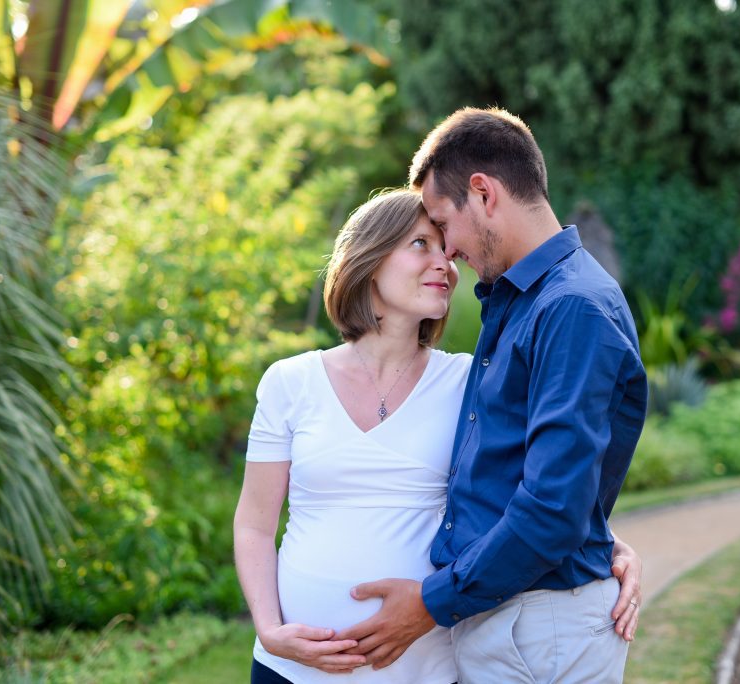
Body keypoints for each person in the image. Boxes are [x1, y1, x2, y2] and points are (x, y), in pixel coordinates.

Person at [234, 186, 644, 683]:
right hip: (290, 669)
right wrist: (271, 629)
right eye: (421, 245)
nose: (446, 265)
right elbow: (255, 525)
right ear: (369, 257)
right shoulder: (289, 382)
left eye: (447, 250)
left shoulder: (470, 381)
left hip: (424, 666)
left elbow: (538, 489)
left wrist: (610, 545)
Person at [334, 108, 648, 684]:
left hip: (539, 626)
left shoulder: (570, 307)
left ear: (482, 193)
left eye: (442, 223)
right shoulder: (524, 302)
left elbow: (553, 509)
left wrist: (429, 605)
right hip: (516, 621)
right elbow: (511, 475)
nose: (446, 252)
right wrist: (605, 540)